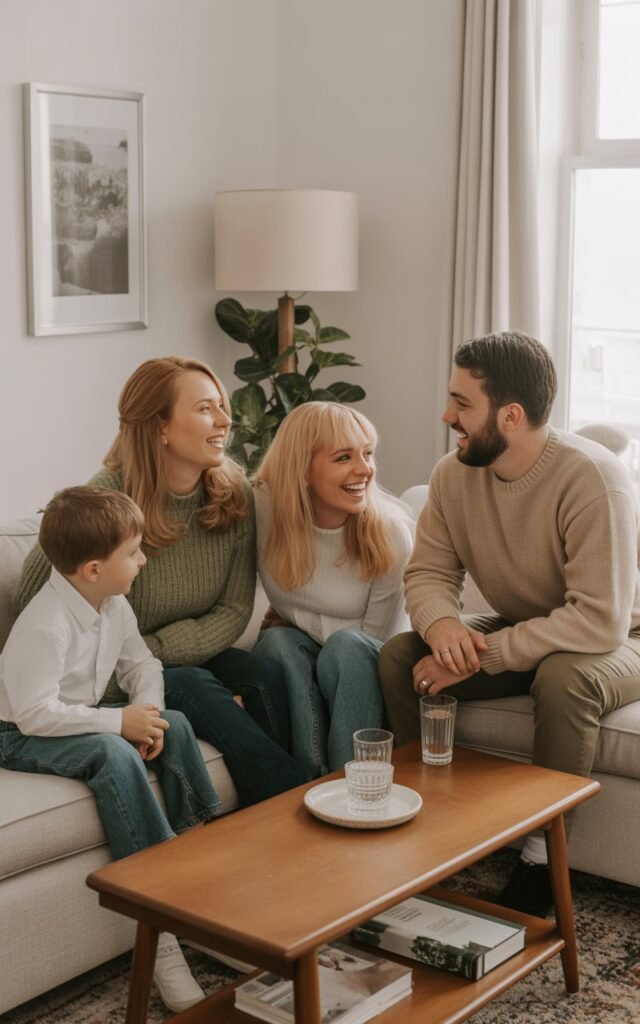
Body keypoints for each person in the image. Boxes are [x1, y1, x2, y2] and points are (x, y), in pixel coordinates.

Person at [379, 330, 640, 916]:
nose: (447, 415)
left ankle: (542, 859)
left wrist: (487, 654)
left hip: (621, 636)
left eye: (462, 403)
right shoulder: (453, 475)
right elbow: (427, 575)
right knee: (400, 655)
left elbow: (599, 621)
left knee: (565, 679)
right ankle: (429, 820)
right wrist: (445, 629)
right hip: (533, 622)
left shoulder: (592, 480)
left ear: (512, 415)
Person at [16, 357, 306, 807]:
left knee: (261, 673)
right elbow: (37, 595)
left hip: (163, 655)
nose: (225, 421)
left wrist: (153, 650)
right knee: (191, 683)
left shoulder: (233, 496)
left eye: (222, 406)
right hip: (116, 674)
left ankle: (299, 784)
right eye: (207, 408)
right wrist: (121, 663)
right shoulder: (109, 502)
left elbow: (232, 612)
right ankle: (289, 804)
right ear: (160, 427)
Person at [0, 487, 219, 1013]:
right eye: (134, 552)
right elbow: (34, 713)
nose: (144, 559)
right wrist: (119, 723)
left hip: (73, 722)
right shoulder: (45, 623)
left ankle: (204, 876)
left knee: (178, 722)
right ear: (94, 568)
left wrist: (146, 714)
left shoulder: (112, 603)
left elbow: (142, 665)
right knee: (113, 752)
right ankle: (162, 935)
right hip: (20, 733)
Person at [253, 402, 414, 777]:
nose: (365, 469)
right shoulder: (262, 509)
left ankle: (350, 781)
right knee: (277, 645)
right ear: (302, 469)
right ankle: (308, 779)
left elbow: (379, 644)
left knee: (344, 648)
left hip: (374, 665)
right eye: (344, 457)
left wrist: (294, 620)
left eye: (368, 454)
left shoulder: (390, 535)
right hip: (310, 651)